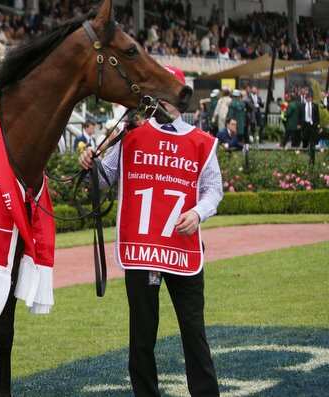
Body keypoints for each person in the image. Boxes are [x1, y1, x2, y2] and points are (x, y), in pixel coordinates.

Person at [79, 67, 222, 397]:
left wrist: (198, 213)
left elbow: (214, 189)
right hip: (143, 252)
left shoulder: (201, 142)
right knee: (142, 336)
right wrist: (90, 163)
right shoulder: (130, 137)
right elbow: (103, 180)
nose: (169, 100)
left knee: (194, 332)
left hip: (182, 250)